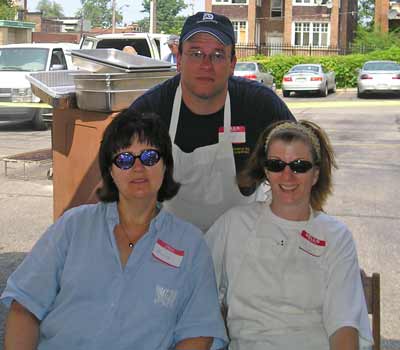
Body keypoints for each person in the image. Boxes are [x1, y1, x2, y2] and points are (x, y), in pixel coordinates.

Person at [1, 110, 227, 350]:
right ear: (110, 170)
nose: (138, 167)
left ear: (165, 165)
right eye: (125, 159)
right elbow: (24, 307)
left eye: (149, 157)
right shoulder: (73, 226)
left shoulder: (190, 244)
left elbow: (198, 333)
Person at [205, 120, 373, 350]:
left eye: (299, 166)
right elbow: (196, 292)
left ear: (315, 174)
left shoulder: (335, 236)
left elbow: (343, 326)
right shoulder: (234, 225)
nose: (287, 176)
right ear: (266, 170)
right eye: (276, 165)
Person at [130, 11, 295, 231]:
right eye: (196, 53)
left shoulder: (260, 105)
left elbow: (306, 159)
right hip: (169, 243)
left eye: (218, 54)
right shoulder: (150, 110)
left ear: (232, 63)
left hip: (242, 243)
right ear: (179, 59)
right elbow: (111, 179)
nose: (206, 65)